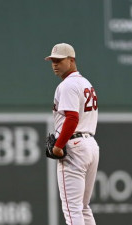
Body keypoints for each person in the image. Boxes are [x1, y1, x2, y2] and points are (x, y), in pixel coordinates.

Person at [45, 43, 100, 225]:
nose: (55, 64)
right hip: (90, 145)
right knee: (83, 208)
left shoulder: (68, 85)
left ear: (71, 60)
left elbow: (72, 118)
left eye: (59, 60)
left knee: (72, 209)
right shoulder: (85, 83)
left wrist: (59, 145)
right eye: (53, 61)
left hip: (74, 145)